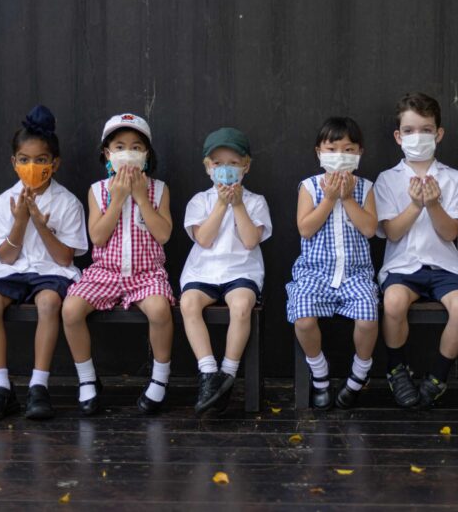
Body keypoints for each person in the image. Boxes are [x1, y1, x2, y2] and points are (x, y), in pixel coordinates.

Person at [0, 105, 87, 421]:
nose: (32, 166)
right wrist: (21, 220)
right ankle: (0, 388)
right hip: (13, 269)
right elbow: (6, 256)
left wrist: (40, 223)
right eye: (24, 160)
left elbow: (65, 257)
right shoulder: (4, 200)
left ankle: (39, 385)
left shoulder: (67, 202)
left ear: (54, 163)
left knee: (50, 302)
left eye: (40, 160)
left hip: (51, 271)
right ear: (14, 162)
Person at [62, 113, 174, 416]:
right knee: (71, 310)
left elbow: (163, 234)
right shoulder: (97, 190)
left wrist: (140, 197)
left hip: (146, 273)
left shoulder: (159, 189)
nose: (129, 152)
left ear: (147, 155)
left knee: (161, 310)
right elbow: (97, 238)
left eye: (137, 147)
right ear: (107, 154)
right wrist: (117, 199)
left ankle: (160, 380)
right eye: (120, 146)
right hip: (105, 273)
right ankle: (87, 379)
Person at [374, 92, 458, 409]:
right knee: (392, 302)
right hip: (402, 267)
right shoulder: (387, 180)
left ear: (439, 133)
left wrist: (432, 204)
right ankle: (396, 369)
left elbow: (450, 233)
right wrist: (415, 205)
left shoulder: (453, 179)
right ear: (398, 136)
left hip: (445, 267)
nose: (417, 137)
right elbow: (390, 232)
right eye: (409, 130)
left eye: (426, 129)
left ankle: (438, 375)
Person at [286, 117, 379, 410]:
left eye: (349, 149)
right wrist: (329, 199)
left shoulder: (366, 187)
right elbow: (305, 228)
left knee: (368, 316)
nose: (340, 155)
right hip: (315, 273)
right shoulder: (309, 187)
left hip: (356, 274)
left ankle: (359, 374)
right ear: (319, 152)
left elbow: (369, 229)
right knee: (303, 318)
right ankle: (319, 372)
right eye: (332, 148)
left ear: (360, 153)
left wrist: (348, 198)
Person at [179, 127, 272, 415]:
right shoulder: (200, 200)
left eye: (233, 163)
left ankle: (228, 373)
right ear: (208, 168)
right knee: (188, 303)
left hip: (240, 270)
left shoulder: (255, 201)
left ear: (245, 166)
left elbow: (250, 240)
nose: (226, 169)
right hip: (203, 271)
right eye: (218, 164)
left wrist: (238, 204)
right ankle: (208, 373)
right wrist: (221, 205)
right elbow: (203, 239)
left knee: (242, 304)